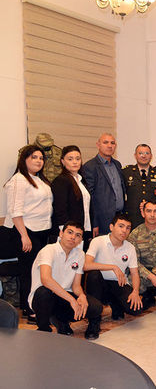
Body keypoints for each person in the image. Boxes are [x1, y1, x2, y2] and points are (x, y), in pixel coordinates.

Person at [29, 222, 103, 339]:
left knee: (95, 307)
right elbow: (46, 280)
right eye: (70, 232)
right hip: (43, 298)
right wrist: (72, 300)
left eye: (78, 235)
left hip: (64, 297)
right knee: (44, 293)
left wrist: (81, 296)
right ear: (61, 233)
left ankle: (61, 320)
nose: (73, 237)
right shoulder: (48, 250)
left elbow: (76, 286)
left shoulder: (80, 254)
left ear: (80, 240)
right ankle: (44, 328)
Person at [4, 145, 53, 321]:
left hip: (41, 230)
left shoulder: (39, 179)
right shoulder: (19, 180)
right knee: (29, 271)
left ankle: (36, 304)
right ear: (24, 160)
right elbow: (15, 211)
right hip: (26, 232)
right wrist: (24, 236)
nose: (38, 161)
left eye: (41, 158)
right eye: (34, 157)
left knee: (38, 270)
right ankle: (28, 308)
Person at [84, 214, 143, 320]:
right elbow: (86, 265)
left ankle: (115, 303)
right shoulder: (98, 241)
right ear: (111, 227)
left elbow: (134, 273)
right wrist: (113, 267)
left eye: (128, 228)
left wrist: (135, 292)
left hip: (118, 284)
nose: (124, 230)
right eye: (121, 226)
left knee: (136, 309)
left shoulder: (130, 248)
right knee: (94, 274)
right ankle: (94, 321)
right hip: (99, 284)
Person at [82, 133, 125, 236]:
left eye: (112, 143)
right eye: (105, 142)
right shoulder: (90, 166)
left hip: (119, 217)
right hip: (102, 220)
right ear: (98, 145)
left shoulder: (117, 164)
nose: (109, 146)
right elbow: (89, 198)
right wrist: (94, 222)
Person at [122, 144, 156, 229]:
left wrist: (152, 205)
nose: (144, 156)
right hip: (133, 218)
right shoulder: (126, 172)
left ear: (151, 156)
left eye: (147, 153)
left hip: (154, 218)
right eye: (140, 153)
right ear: (135, 155)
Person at [51, 146, 92, 246]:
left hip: (83, 229)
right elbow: (60, 209)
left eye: (78, 159)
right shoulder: (61, 180)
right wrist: (65, 231)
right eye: (70, 159)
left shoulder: (81, 180)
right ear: (62, 161)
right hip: (69, 233)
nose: (75, 162)